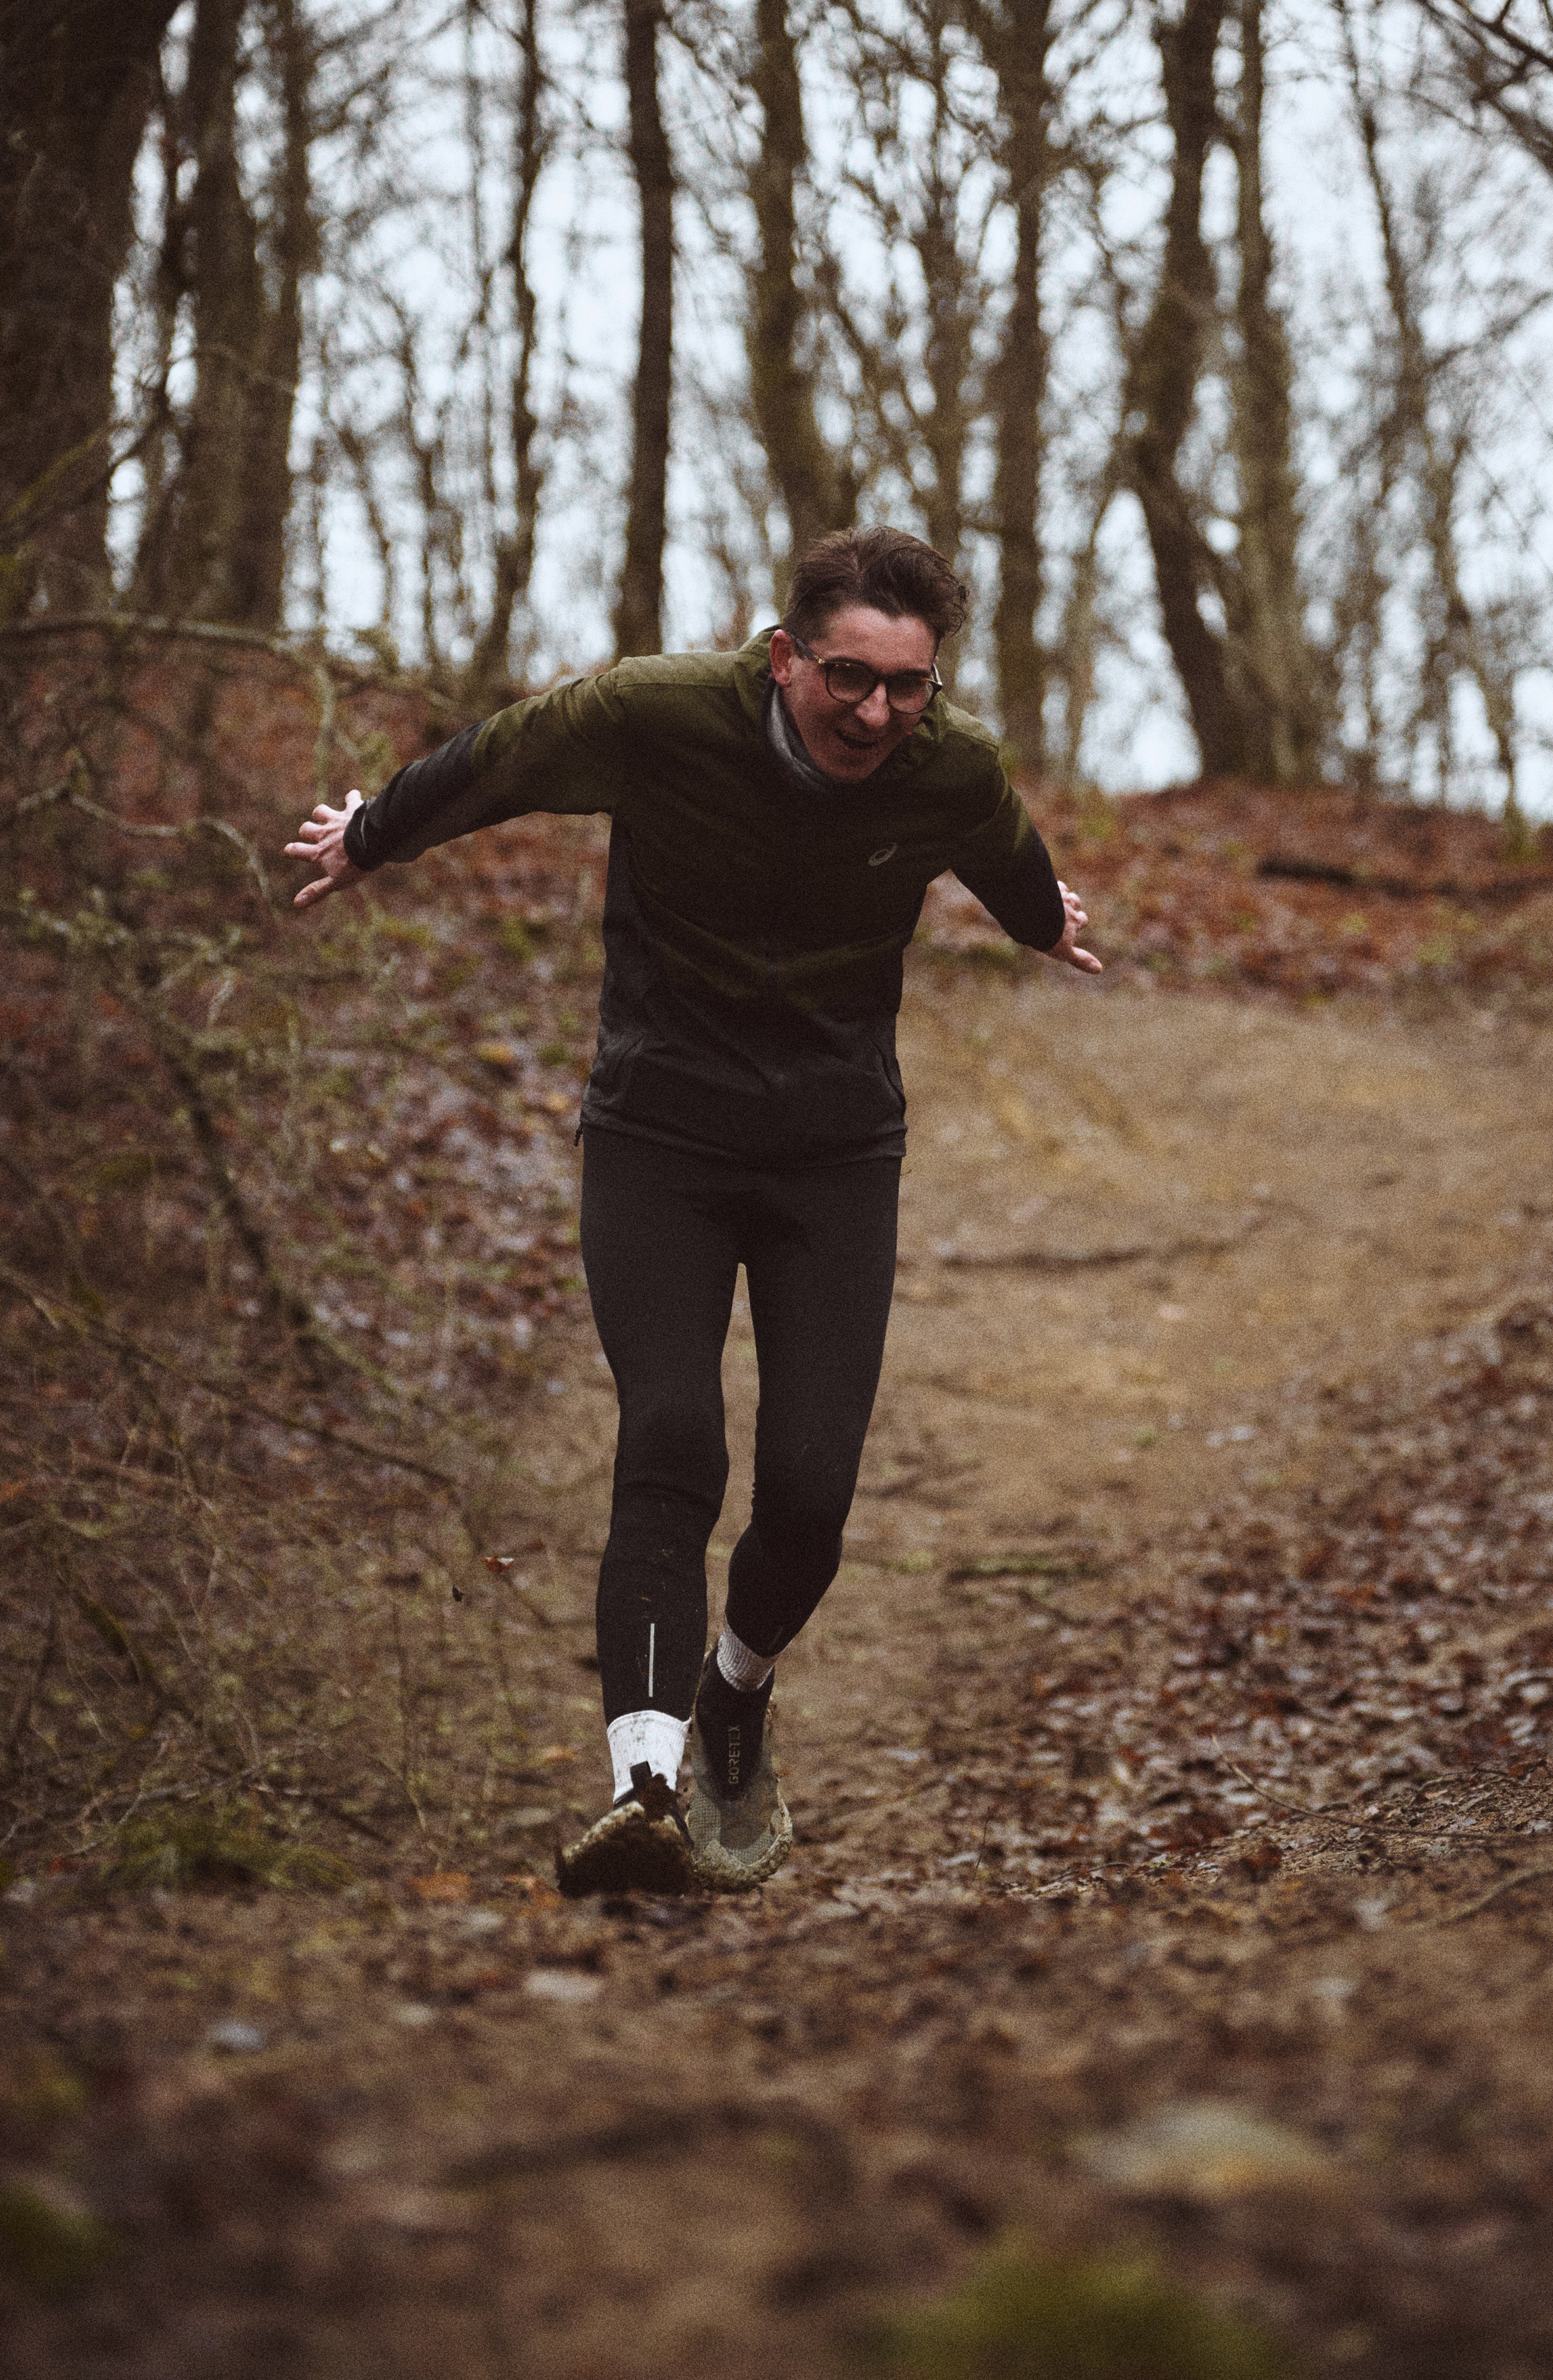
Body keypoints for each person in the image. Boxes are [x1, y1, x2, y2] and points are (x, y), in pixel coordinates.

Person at [286, 526, 1101, 1897]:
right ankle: (645, 1788)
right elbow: (499, 759)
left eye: (907, 686)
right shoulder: (656, 717)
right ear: (784, 657)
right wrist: (371, 837)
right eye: (847, 677)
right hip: (659, 1133)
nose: (874, 712)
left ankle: (734, 1692)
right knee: (670, 1434)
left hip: (835, 1157)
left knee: (810, 1496)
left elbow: (1000, 842)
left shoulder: (942, 761)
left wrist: (1037, 924)